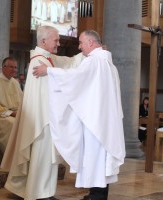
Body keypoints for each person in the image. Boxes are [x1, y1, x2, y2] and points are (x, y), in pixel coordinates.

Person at [33, 30, 125, 200]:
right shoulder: (107, 63)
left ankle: (97, 196)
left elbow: (75, 78)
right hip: (103, 119)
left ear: (91, 43)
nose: (80, 46)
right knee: (101, 160)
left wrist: (50, 71)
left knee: (97, 157)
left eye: (81, 43)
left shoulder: (95, 62)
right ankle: (98, 194)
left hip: (96, 121)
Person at [1, 25, 83, 200]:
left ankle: (38, 190)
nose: (59, 44)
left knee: (43, 157)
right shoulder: (40, 62)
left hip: (45, 117)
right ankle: (39, 192)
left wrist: (85, 55)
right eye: (56, 40)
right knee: (43, 157)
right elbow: (55, 88)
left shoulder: (46, 58)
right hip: (44, 119)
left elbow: (67, 63)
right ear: (44, 41)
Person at [0, 57, 23, 156]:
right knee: (13, 125)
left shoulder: (15, 83)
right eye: (11, 67)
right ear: (3, 67)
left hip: (16, 114)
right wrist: (13, 114)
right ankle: (12, 158)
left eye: (15, 67)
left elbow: (22, 102)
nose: (14, 70)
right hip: (1, 116)